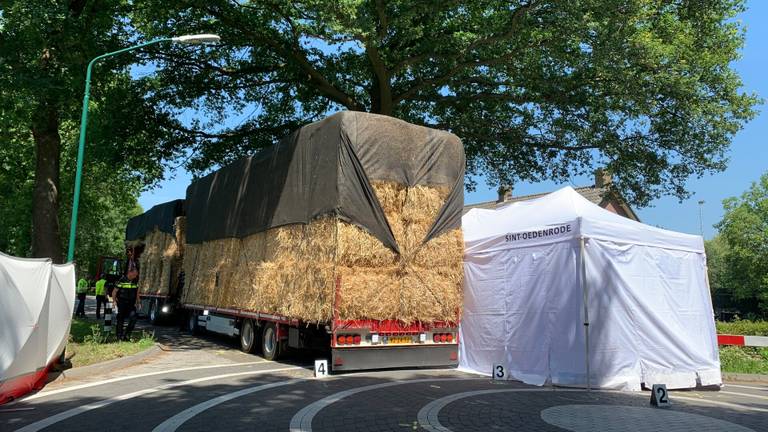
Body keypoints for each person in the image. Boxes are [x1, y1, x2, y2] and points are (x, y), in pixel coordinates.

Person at [112, 274, 140, 341]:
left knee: (134, 318)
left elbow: (137, 293)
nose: (136, 275)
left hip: (131, 304)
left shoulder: (135, 281)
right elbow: (114, 292)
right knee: (120, 319)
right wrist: (114, 301)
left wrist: (138, 302)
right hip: (122, 303)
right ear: (130, 273)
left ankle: (126, 335)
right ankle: (119, 337)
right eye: (135, 273)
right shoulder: (121, 280)